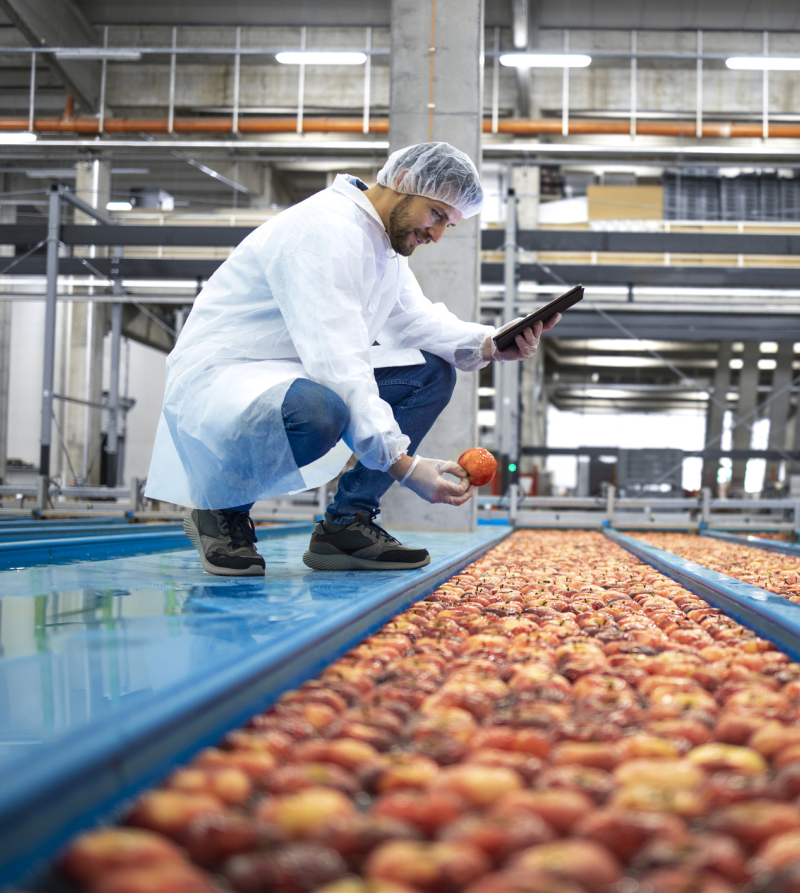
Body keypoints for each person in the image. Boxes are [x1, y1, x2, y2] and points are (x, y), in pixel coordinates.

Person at [145, 142, 559, 576]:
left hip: (296, 373)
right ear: (403, 183)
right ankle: (219, 505)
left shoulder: (380, 243)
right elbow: (339, 361)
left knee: (431, 372)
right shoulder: (325, 230)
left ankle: (345, 525)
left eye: (448, 224)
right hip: (231, 378)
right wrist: (405, 466)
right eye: (436, 214)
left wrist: (492, 343)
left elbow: (413, 320)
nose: (437, 234)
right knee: (320, 411)